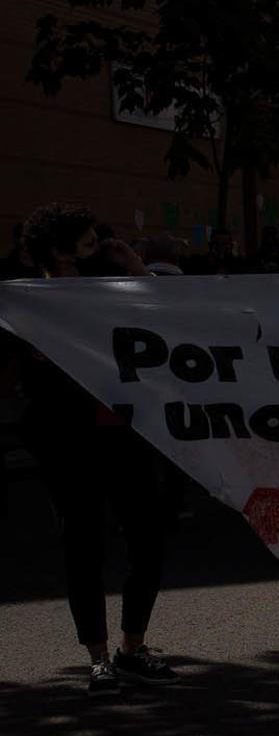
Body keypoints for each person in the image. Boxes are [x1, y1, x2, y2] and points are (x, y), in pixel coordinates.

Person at [7, 203, 177, 695]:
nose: (98, 246)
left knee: (148, 538)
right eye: (86, 241)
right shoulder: (25, 300)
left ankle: (132, 646)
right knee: (83, 544)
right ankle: (99, 657)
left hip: (121, 430)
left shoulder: (106, 284)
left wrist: (134, 265)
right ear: (56, 249)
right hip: (65, 438)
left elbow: (165, 313)